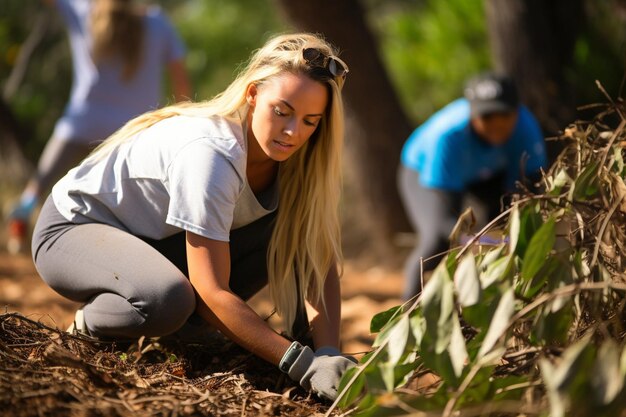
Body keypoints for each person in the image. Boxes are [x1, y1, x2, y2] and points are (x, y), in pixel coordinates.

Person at [31, 33, 355, 401]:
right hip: (73, 229)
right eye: (282, 111)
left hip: (156, 242)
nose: (293, 132)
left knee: (293, 229)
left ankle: (185, 328)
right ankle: (90, 324)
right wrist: (301, 366)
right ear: (252, 95)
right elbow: (211, 288)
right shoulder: (211, 156)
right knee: (167, 300)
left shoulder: (300, 165)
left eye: (310, 121)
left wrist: (328, 354)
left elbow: (315, 256)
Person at [6, 0, 191, 254]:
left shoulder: (84, 11)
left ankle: (24, 213)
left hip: (82, 123)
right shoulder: (158, 22)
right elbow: (181, 80)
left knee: (39, 183)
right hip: (134, 133)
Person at [398, 72, 547, 300]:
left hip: (488, 174)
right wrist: (481, 241)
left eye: (504, 115)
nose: (496, 124)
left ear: (517, 112)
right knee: (438, 239)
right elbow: (448, 221)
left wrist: (506, 238)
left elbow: (529, 192)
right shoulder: (449, 136)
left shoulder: (526, 128)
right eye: (487, 117)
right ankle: (405, 311)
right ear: (472, 114)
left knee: (516, 232)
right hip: (423, 171)